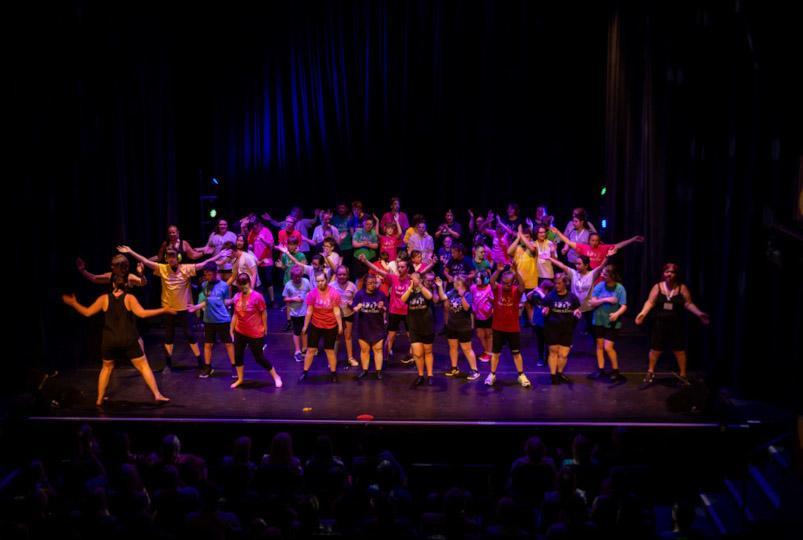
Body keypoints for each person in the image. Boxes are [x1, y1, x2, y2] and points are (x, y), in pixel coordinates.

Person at [117, 245, 232, 372]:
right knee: (168, 337)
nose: (171, 258)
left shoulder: (186, 269)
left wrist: (219, 255)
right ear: (166, 258)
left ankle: (200, 362)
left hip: (184, 308)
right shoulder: (162, 268)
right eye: (169, 256)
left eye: (173, 256)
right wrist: (131, 251)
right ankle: (168, 364)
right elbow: (145, 261)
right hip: (168, 309)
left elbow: (204, 263)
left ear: (178, 257)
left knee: (190, 335)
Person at [62, 275, 171, 406]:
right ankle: (157, 394)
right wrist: (163, 310)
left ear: (113, 285)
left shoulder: (104, 298)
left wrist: (74, 303)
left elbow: (87, 312)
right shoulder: (129, 298)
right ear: (126, 285)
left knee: (106, 368)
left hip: (109, 341)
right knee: (143, 366)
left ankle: (99, 399)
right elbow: (142, 314)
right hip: (128, 339)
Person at [635, 263, 710, 385]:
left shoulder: (681, 288)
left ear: (676, 274)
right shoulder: (658, 287)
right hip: (660, 324)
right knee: (655, 349)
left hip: (676, 324)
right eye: (667, 272)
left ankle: (683, 374)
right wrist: (642, 314)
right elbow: (650, 302)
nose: (669, 274)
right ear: (663, 273)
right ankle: (650, 371)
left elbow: (688, 303)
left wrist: (699, 313)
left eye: (672, 272)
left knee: (679, 350)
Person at [229, 273, 283, 389]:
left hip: (255, 332)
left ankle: (276, 376)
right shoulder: (237, 297)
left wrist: (265, 327)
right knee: (238, 356)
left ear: (249, 283)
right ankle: (240, 379)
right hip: (240, 331)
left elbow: (263, 312)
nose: (243, 287)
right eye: (241, 285)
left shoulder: (257, 297)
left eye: (245, 284)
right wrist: (231, 329)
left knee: (259, 358)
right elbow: (235, 314)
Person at [359, 253, 414, 364]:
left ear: (408, 268)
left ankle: (412, 356)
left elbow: (423, 274)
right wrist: (365, 261)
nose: (400, 268)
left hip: (407, 311)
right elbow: (378, 271)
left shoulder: (412, 279)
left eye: (402, 267)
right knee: (390, 335)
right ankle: (385, 358)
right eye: (399, 266)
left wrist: (432, 264)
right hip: (394, 311)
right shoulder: (393, 278)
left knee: (411, 335)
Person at [187, 263, 236, 379]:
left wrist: (233, 300)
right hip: (209, 320)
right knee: (208, 344)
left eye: (209, 274)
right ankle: (208, 368)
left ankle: (234, 366)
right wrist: (196, 307)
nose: (207, 276)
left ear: (215, 273)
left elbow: (224, 301)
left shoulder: (224, 286)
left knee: (228, 343)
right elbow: (207, 301)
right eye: (205, 274)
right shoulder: (204, 285)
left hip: (222, 319)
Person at [485, 265, 531, 388]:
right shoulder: (497, 288)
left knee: (516, 353)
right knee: (496, 353)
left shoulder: (516, 291)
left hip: (513, 328)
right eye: (505, 283)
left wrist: (516, 272)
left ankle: (521, 375)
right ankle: (492, 374)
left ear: (513, 282)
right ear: (502, 282)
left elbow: (523, 285)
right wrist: (499, 270)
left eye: (510, 283)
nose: (507, 285)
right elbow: (491, 281)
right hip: (498, 327)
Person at [299, 271, 343, 383]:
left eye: (322, 281)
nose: (320, 283)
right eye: (318, 281)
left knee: (329, 350)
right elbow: (309, 311)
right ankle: (305, 372)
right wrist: (305, 325)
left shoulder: (334, 293)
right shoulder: (312, 294)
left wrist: (340, 325)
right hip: (316, 325)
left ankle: (333, 373)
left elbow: (336, 311)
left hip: (330, 325)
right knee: (311, 349)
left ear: (326, 280)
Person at [588, 265, 628, 382]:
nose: (602, 276)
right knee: (599, 346)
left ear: (612, 276)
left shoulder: (620, 288)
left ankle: (615, 371)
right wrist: (606, 299)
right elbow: (592, 303)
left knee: (608, 347)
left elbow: (624, 305)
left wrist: (617, 314)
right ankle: (600, 369)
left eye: (605, 274)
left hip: (612, 322)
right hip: (599, 320)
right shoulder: (599, 286)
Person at [437, 275, 480, 380]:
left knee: (466, 349)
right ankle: (454, 368)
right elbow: (443, 297)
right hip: (452, 325)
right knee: (452, 347)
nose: (455, 284)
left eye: (457, 283)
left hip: (464, 327)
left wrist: (462, 296)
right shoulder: (452, 292)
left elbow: (466, 308)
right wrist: (439, 286)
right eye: (455, 282)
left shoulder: (468, 294)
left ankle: (475, 370)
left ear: (463, 284)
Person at [541, 274, 582, 385]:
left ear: (565, 283)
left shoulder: (572, 297)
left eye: (559, 283)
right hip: (552, 328)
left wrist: (577, 313)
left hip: (567, 329)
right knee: (553, 352)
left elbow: (577, 310)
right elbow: (544, 309)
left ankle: (559, 373)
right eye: (555, 283)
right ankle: (553, 376)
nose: (556, 285)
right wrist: (545, 311)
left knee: (563, 354)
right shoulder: (550, 296)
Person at [550, 227, 644, 271]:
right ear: (589, 241)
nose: (594, 242)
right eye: (592, 240)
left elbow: (618, 245)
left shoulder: (603, 248)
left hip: (599, 277)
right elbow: (569, 242)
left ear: (599, 241)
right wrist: (558, 232)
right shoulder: (584, 247)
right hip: (587, 277)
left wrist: (633, 239)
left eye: (596, 241)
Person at [401, 272, 437, 386]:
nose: (414, 281)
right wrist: (410, 288)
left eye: (416, 279)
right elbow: (402, 299)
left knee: (428, 352)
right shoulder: (409, 292)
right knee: (417, 354)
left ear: (420, 280)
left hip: (427, 326)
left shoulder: (425, 290)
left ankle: (430, 375)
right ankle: (420, 375)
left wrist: (420, 286)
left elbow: (430, 297)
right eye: (412, 279)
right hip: (414, 327)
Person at [352, 274, 389, 380]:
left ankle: (378, 371)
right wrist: (356, 308)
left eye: (374, 283)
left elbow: (386, 309)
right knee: (365, 350)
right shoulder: (360, 294)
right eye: (370, 283)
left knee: (378, 349)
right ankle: (365, 370)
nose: (372, 285)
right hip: (363, 326)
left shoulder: (381, 294)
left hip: (377, 326)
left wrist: (382, 308)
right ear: (365, 284)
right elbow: (354, 307)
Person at [507, 225, 539, 324]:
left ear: (530, 238)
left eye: (527, 237)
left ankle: (533, 324)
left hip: (531, 282)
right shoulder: (517, 248)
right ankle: (515, 325)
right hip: (518, 282)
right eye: (523, 237)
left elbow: (532, 249)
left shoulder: (533, 247)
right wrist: (518, 237)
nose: (524, 239)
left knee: (530, 305)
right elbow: (508, 252)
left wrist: (521, 234)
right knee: (517, 305)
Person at [329, 265, 359, 368]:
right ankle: (333, 359)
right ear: (336, 275)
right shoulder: (331, 286)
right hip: (335, 316)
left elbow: (357, 299)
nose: (342, 276)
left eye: (344, 274)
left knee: (348, 336)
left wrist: (353, 303)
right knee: (336, 337)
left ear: (347, 275)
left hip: (348, 314)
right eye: (339, 274)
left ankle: (350, 358)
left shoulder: (352, 286)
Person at [282, 265, 312, 363]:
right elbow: (285, 298)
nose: (298, 278)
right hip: (295, 313)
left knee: (305, 330)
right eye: (295, 277)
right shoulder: (288, 285)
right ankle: (297, 351)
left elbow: (311, 293)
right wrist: (293, 299)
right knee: (296, 331)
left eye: (299, 276)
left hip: (305, 311)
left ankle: (305, 348)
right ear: (292, 276)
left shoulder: (306, 282)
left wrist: (308, 298)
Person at [247, 218, 276, 307]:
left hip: (267, 261)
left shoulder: (266, 231)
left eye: (256, 225)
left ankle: (272, 301)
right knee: (258, 282)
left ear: (259, 224)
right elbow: (249, 245)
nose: (254, 227)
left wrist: (263, 240)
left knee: (268, 281)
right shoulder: (252, 232)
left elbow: (272, 246)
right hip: (256, 261)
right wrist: (250, 246)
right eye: (253, 225)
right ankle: (260, 302)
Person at [471, 269, 494, 362]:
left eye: (479, 278)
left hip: (489, 315)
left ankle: (489, 352)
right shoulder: (473, 287)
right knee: (480, 334)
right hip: (477, 315)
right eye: (476, 278)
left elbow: (494, 300)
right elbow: (472, 299)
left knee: (488, 334)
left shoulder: (490, 287)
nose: (477, 280)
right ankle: (486, 351)